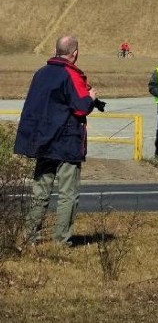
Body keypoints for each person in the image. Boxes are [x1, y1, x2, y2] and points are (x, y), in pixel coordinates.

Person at [14, 35, 102, 246]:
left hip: (43, 140)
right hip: (65, 141)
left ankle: (28, 235)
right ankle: (61, 240)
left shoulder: (41, 73)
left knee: (40, 191)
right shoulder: (70, 74)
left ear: (56, 50)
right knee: (67, 194)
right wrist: (91, 97)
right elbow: (81, 106)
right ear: (75, 53)